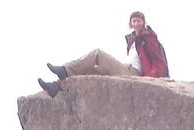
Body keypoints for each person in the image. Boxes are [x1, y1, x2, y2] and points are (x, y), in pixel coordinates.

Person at [38, 11, 168, 95]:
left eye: (139, 21)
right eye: (134, 21)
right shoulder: (133, 40)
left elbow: (159, 62)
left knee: (97, 54)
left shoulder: (149, 38)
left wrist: (149, 79)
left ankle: (64, 70)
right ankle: (57, 86)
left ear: (144, 22)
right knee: (92, 69)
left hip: (134, 73)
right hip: (128, 69)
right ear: (130, 23)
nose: (136, 23)